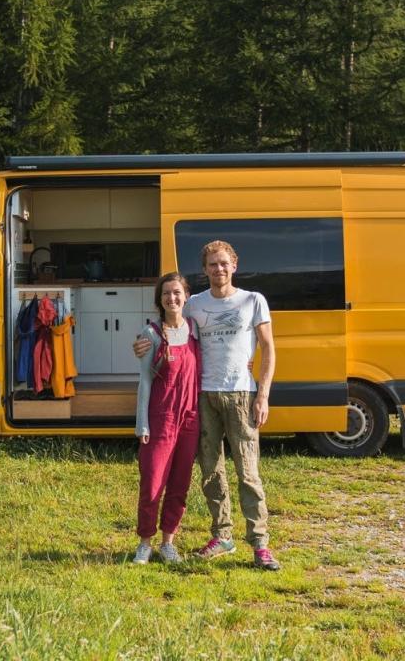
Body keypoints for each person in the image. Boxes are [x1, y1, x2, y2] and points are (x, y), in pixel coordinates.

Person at [134, 240, 279, 570]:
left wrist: (263, 394)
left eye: (224, 263)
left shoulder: (253, 301)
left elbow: (269, 349)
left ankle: (260, 544)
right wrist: (141, 344)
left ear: (234, 265)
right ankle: (223, 535)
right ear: (205, 270)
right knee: (211, 473)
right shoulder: (194, 304)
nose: (219, 269)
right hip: (203, 398)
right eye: (212, 264)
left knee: (248, 473)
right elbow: (167, 329)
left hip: (242, 394)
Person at [132, 272, 202, 565]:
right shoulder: (151, 334)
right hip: (160, 417)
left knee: (179, 484)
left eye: (176, 293)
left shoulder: (196, 329)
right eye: (166, 294)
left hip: (190, 418)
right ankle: (145, 543)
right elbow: (145, 380)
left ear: (186, 296)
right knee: (152, 482)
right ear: (159, 301)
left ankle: (168, 542)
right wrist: (142, 422)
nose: (171, 299)